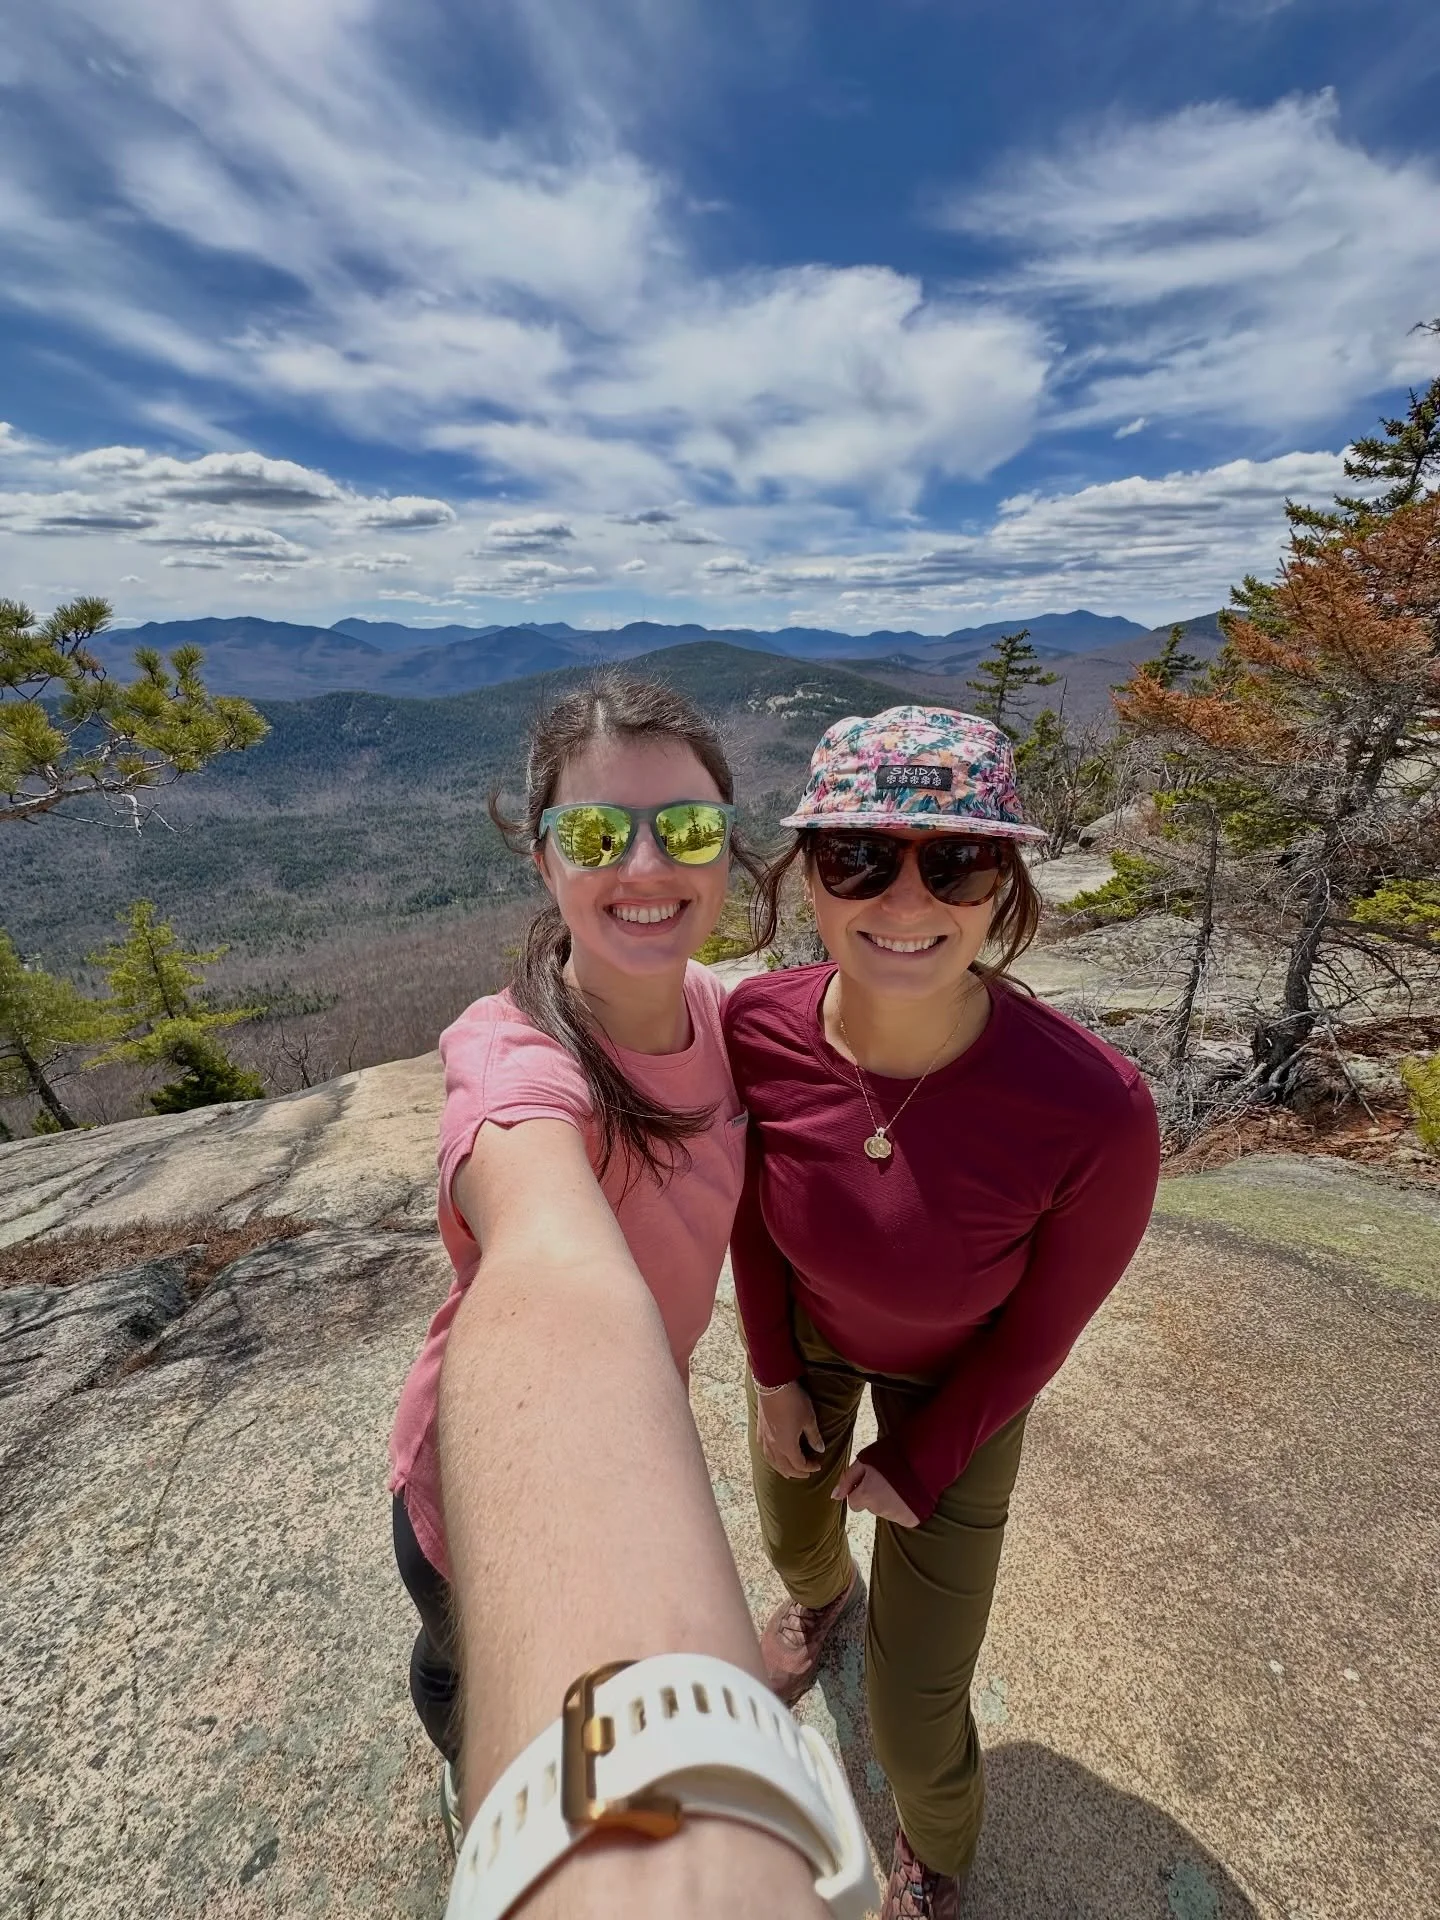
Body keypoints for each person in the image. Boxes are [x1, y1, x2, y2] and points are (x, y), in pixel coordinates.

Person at [724, 706, 1162, 1920]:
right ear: (809, 877)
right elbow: (750, 1215)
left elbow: (1044, 1328)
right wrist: (772, 1370)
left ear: (1003, 884)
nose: (906, 900)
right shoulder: (758, 1030)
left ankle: (934, 1853)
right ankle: (825, 1603)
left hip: (965, 1385)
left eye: (957, 860)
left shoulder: (1094, 1108)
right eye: (859, 857)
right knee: (793, 1535)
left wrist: (926, 1458)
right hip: (812, 1343)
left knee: (915, 1717)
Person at [387, 671, 761, 1853]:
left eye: (687, 829)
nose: (645, 866)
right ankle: (471, 1785)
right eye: (596, 834)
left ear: (727, 846)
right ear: (544, 859)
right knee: (455, 1665)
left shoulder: (725, 1017)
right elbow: (551, 1262)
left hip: (635, 1439)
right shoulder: (517, 1065)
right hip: (478, 1488)